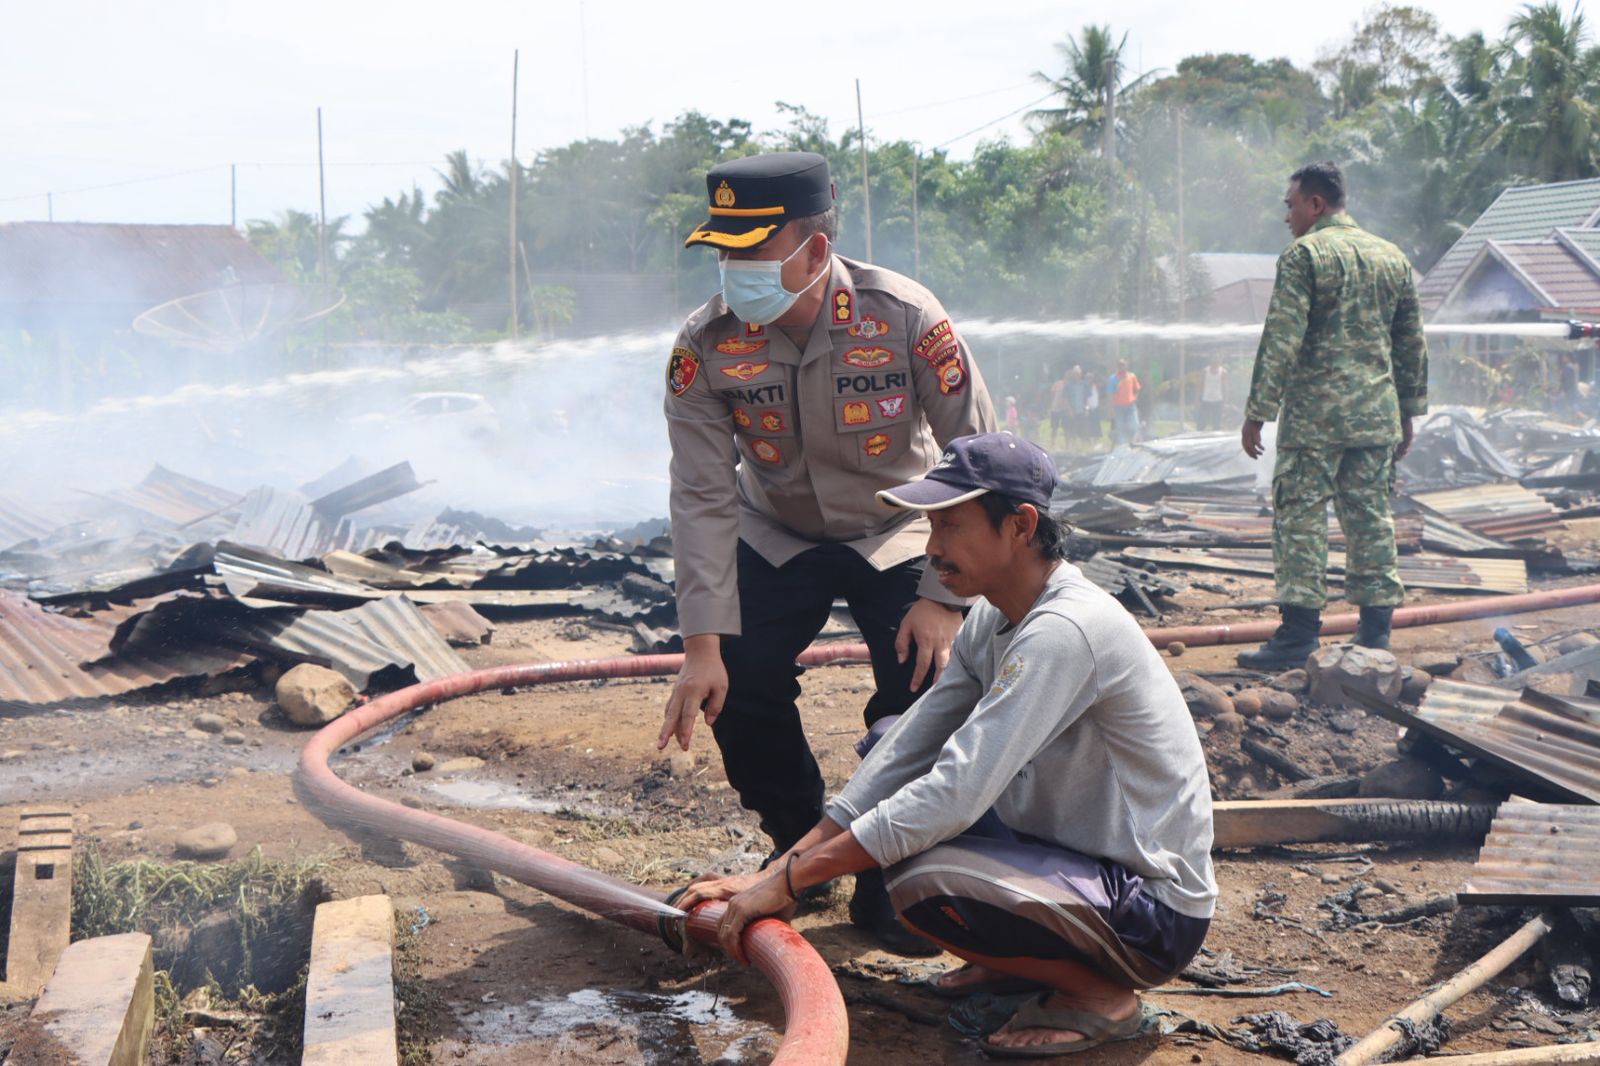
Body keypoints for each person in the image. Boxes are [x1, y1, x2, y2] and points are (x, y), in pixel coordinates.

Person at [679, 432, 1216, 1058]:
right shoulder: (992, 617)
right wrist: (774, 872)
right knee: (887, 746)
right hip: (1080, 861)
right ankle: (1024, 963)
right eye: (930, 528)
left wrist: (794, 883)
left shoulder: (1065, 631)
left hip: (1151, 908)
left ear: (1021, 525)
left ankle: (1100, 995)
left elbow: (956, 790)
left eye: (951, 527)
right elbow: (908, 748)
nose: (932, 549)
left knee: (921, 877)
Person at [659, 151, 997, 954]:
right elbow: (703, 496)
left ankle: (890, 866)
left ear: (815, 249)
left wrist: (945, 596)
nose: (735, 271)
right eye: (724, 252)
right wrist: (701, 649)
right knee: (736, 681)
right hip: (777, 531)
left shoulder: (906, 317)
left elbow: (975, 459)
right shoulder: (704, 346)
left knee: (926, 682)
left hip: (901, 526)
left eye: (753, 250)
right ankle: (795, 847)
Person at [1238, 161, 1427, 667]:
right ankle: (1375, 635)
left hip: (1316, 420)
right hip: (1375, 417)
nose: (1287, 216)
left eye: (1291, 203)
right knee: (1370, 519)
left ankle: (1299, 636)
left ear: (1316, 204)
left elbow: (1281, 337)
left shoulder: (1305, 255)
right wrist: (1409, 411)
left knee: (1300, 519)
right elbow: (1410, 345)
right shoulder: (1392, 257)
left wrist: (1258, 410)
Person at [1110, 359, 1141, 445]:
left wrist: (1135, 398)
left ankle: (1133, 442)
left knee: (1134, 425)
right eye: (1120, 365)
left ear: (1126, 366)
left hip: (1130, 405)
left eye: (1123, 365)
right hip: (1118, 406)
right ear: (1118, 367)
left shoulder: (1132, 376)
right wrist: (1112, 407)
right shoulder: (1113, 378)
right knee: (1120, 427)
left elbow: (1137, 389)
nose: (1122, 367)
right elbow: (1111, 393)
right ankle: (1122, 444)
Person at [1198, 355, 1228, 430]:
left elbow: (1225, 387)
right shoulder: (1205, 371)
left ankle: (1216, 438)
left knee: (1216, 422)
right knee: (1202, 422)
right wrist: (1198, 398)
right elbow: (1200, 385)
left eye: (1218, 361)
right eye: (1214, 361)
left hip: (1218, 399)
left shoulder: (1223, 372)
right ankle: (1199, 436)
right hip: (1206, 399)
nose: (1216, 363)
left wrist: (1226, 400)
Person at [1063, 365, 1088, 447]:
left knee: (1083, 428)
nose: (1076, 375)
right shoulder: (1068, 385)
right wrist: (1070, 410)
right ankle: (1070, 445)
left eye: (1077, 374)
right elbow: (1066, 398)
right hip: (1072, 411)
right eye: (1074, 374)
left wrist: (1086, 408)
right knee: (1071, 429)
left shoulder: (1084, 384)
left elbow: (1086, 397)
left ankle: (1083, 445)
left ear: (1080, 374)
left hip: (1081, 410)